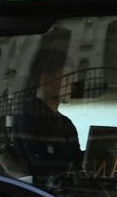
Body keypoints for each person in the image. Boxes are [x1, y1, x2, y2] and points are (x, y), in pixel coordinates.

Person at [8, 46, 83, 179]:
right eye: (67, 79)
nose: (72, 85)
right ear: (46, 80)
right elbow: (39, 165)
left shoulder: (65, 123)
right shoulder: (28, 117)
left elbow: (76, 161)